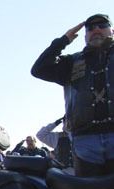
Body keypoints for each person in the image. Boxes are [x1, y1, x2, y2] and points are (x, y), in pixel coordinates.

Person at [31, 13, 114, 177]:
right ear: (85, 35)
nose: (96, 29)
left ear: (111, 30)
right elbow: (39, 69)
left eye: (102, 25)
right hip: (85, 141)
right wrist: (63, 40)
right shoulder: (71, 62)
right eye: (90, 27)